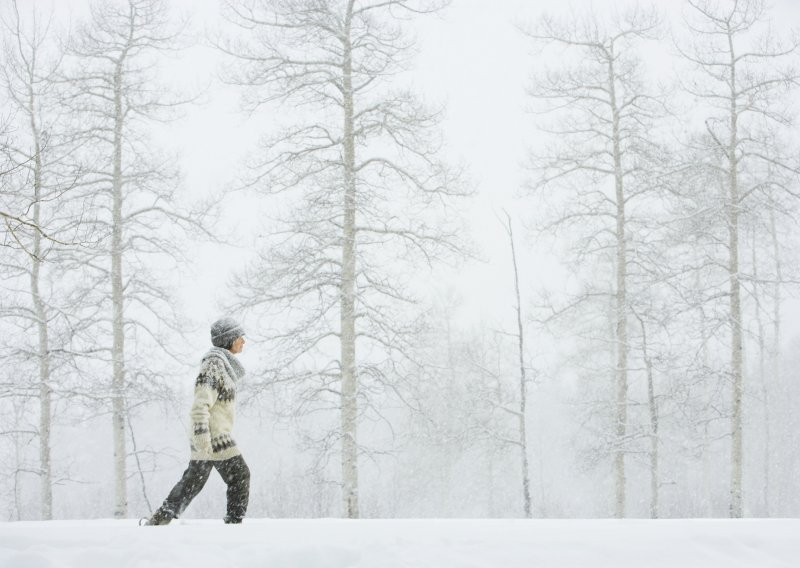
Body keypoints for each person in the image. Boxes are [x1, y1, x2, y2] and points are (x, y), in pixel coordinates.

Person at [143, 317, 250, 525]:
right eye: (240, 337)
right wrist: (202, 439)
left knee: (195, 479)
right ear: (229, 339)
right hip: (211, 436)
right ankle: (234, 525)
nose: (243, 341)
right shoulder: (213, 365)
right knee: (239, 475)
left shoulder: (221, 364)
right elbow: (200, 405)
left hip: (217, 435)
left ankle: (160, 518)